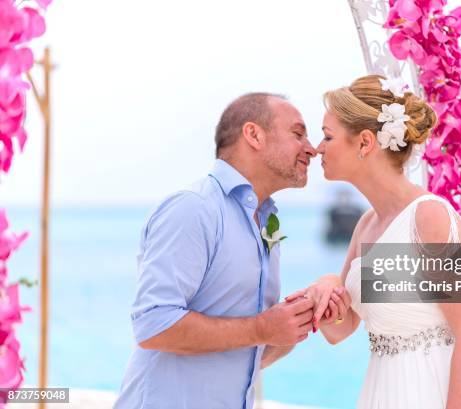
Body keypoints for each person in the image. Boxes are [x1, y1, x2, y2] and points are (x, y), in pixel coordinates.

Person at [287, 75, 461, 409]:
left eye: (328, 136)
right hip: (385, 392)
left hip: (436, 392)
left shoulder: (429, 218)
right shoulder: (366, 225)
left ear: (364, 143)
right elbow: (340, 329)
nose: (317, 148)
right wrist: (326, 287)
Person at [114, 92, 317, 409]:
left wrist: (298, 320)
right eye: (298, 133)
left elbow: (248, 353)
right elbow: (154, 325)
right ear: (254, 135)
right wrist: (263, 327)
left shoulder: (264, 221)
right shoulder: (194, 208)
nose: (312, 148)